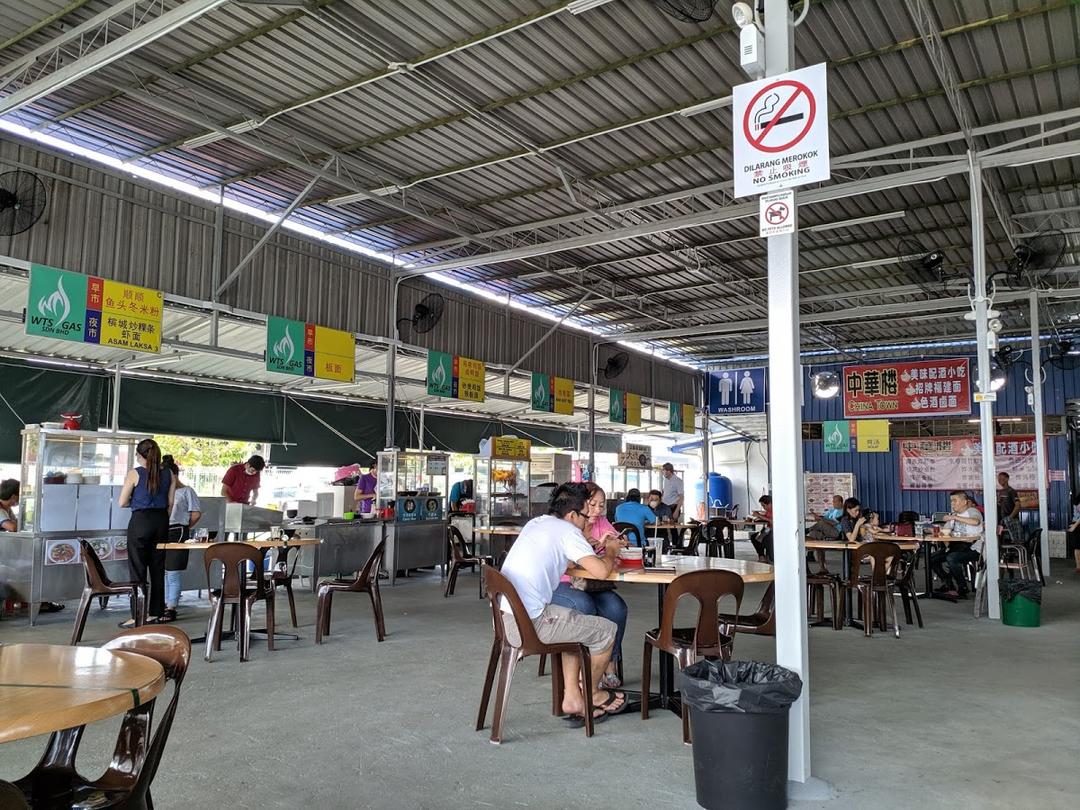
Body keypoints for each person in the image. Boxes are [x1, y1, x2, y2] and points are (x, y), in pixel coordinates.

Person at [498, 482, 627, 725]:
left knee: (573, 615)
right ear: (572, 515)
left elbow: (563, 561)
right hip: (531, 625)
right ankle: (593, 694)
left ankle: (572, 697)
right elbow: (600, 572)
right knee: (607, 631)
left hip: (508, 619)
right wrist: (610, 550)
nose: (587, 520)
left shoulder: (537, 523)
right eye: (585, 515)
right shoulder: (568, 531)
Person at [551, 483, 628, 689]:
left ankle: (607, 664)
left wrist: (617, 544)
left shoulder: (601, 522)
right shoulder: (568, 527)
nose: (596, 510)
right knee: (584, 607)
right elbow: (574, 562)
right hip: (564, 583)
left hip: (592, 583)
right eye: (591, 505)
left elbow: (615, 543)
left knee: (616, 608)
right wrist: (599, 547)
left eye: (601, 505)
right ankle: (580, 674)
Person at [118, 438, 175, 627]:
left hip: (141, 521)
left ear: (140, 456)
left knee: (137, 569)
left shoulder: (135, 473)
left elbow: (122, 502)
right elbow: (170, 503)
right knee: (157, 569)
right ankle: (155, 613)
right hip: (161, 522)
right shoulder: (169, 474)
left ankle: (137, 615)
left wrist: (137, 503)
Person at [0, 480, 64, 614]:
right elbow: (11, 527)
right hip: (4, 555)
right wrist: (25, 520)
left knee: (33, 567)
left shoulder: (7, 509)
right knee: (33, 568)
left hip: (6, 552)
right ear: (13, 496)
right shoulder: (1, 509)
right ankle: (37, 601)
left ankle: (37, 600)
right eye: (19, 495)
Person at [161, 456, 202, 623]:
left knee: (173, 571)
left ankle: (171, 607)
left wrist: (185, 528)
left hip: (178, 531)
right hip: (162, 531)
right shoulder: (161, 491)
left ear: (175, 475)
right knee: (163, 571)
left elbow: (196, 513)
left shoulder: (187, 491)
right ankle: (164, 603)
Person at [930, 490, 984, 599]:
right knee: (931, 558)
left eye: (955, 500)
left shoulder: (972, 511)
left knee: (952, 558)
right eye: (951, 501)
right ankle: (948, 583)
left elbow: (976, 522)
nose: (952, 503)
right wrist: (939, 533)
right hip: (957, 547)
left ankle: (962, 588)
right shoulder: (954, 516)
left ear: (964, 502)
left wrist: (954, 517)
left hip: (974, 549)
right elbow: (945, 531)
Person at [997, 472, 1022, 544]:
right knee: (999, 539)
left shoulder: (1011, 491)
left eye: (1002, 478)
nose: (999, 480)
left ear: (1007, 479)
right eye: (998, 478)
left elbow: (1018, 505)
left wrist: (1010, 517)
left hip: (1011, 521)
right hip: (1002, 521)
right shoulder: (1000, 492)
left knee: (1015, 541)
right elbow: (1000, 505)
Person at [749, 495, 774, 562]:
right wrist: (758, 515)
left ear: (769, 504)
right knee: (754, 537)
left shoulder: (775, 510)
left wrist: (759, 515)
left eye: (763, 505)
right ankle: (761, 556)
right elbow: (766, 517)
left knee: (762, 539)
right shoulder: (768, 511)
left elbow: (772, 521)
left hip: (773, 530)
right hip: (767, 529)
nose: (763, 508)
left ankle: (769, 556)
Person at [1067, 493, 1080, 573]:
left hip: (1075, 524)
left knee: (1077, 547)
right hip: (1077, 525)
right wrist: (1075, 526)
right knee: (1077, 547)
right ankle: (1078, 566)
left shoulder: (1076, 500)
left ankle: (1078, 566)